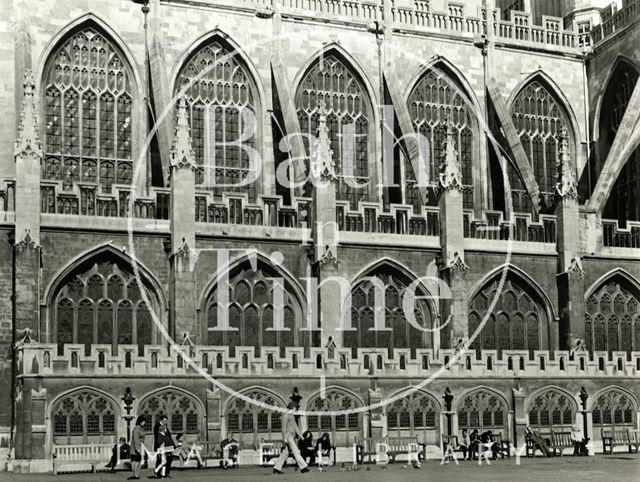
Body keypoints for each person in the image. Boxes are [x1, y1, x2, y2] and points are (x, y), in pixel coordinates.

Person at [273, 400, 310, 474]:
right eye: (295, 408)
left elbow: (295, 427)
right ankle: (303, 467)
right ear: (292, 407)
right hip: (288, 435)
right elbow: (283, 428)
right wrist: (284, 438)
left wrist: (301, 436)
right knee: (296, 450)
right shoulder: (285, 415)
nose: (296, 410)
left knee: (285, 452)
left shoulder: (291, 415)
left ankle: (277, 468)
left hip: (291, 435)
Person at [129, 416, 146, 480]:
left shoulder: (142, 428)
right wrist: (137, 449)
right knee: (136, 460)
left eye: (144, 421)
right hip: (136, 447)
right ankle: (135, 474)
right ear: (140, 421)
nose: (144, 423)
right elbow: (135, 439)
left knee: (139, 461)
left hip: (141, 446)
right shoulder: (136, 429)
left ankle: (136, 474)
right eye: (143, 421)